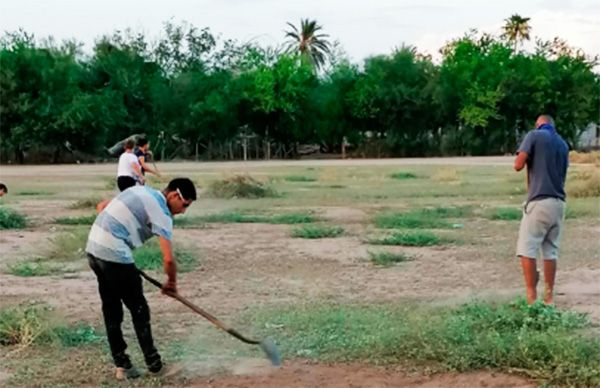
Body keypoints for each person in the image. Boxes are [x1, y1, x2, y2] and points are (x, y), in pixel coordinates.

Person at [86, 178, 196, 380]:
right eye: (184, 205)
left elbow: (102, 206)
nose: (183, 211)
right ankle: (154, 365)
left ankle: (122, 365)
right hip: (113, 253)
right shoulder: (162, 213)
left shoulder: (140, 190)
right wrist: (171, 283)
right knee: (139, 309)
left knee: (111, 309)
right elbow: (169, 260)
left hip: (93, 250)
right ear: (173, 195)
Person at [514, 115, 569, 305]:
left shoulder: (534, 135)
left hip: (539, 201)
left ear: (538, 124)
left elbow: (518, 165)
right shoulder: (563, 144)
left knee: (526, 249)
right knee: (550, 251)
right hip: (559, 203)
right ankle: (549, 296)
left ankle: (531, 296)